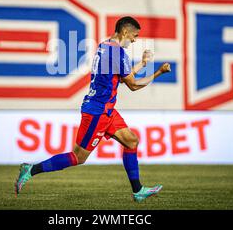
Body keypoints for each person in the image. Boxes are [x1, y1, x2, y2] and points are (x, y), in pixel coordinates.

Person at [14, 16, 172, 202]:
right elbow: (133, 85)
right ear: (125, 32)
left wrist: (142, 64)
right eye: (134, 36)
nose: (135, 40)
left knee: (131, 141)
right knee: (78, 157)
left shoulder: (105, 46)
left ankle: (138, 190)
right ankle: (31, 170)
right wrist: (158, 72)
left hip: (107, 110)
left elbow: (120, 78)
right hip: (97, 112)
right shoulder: (118, 54)